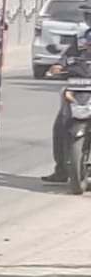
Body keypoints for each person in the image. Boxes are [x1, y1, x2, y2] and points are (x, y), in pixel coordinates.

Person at [42, 12, 91, 186]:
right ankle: (62, 169)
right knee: (61, 123)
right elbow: (64, 60)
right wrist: (57, 67)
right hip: (78, 90)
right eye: (88, 14)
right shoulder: (80, 41)